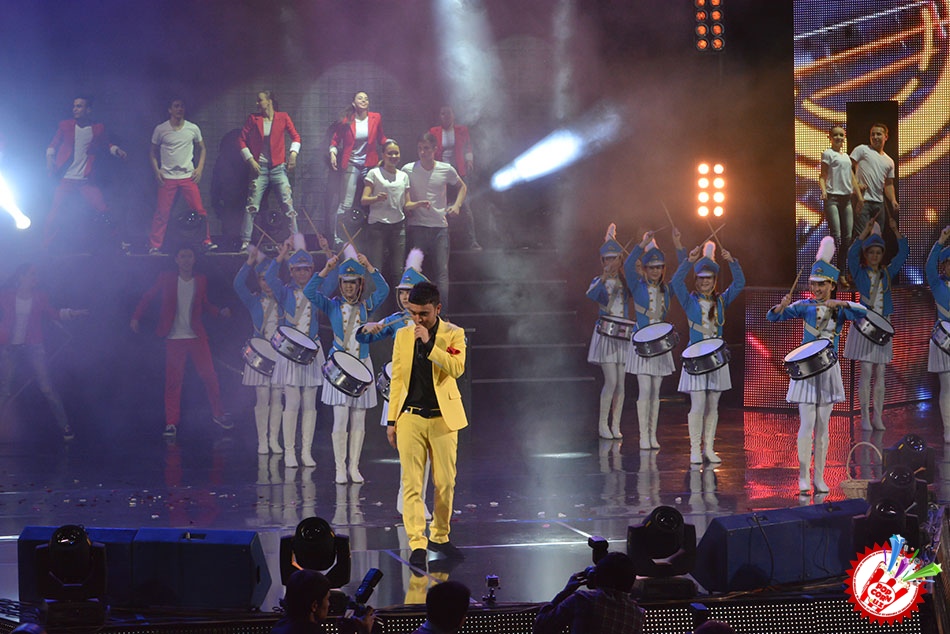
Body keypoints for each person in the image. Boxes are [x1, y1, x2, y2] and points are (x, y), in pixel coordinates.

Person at [767, 236, 866, 494]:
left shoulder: (840, 309)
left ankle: (819, 478)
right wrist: (781, 307)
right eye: (814, 284)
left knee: (824, 427)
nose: (817, 288)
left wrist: (842, 302)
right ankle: (803, 476)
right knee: (807, 424)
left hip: (829, 370)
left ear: (832, 285)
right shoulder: (804, 306)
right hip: (807, 371)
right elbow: (773, 317)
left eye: (822, 284)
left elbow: (863, 312)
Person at [386, 281, 467, 570]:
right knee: (411, 483)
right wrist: (392, 420)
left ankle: (440, 537)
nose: (418, 319)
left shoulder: (454, 334)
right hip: (411, 417)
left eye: (424, 314)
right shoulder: (402, 335)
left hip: (443, 418)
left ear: (437, 309)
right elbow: (397, 379)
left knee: (445, 482)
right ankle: (417, 543)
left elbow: (456, 368)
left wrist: (430, 344)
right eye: (413, 313)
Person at [356, 249, 433, 519]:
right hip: (403, 394)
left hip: (427, 393)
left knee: (426, 452)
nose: (404, 297)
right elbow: (365, 338)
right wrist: (368, 329)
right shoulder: (394, 321)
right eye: (402, 293)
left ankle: (418, 499)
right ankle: (406, 498)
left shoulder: (433, 321)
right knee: (409, 451)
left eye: (409, 292)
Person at [306, 246, 389, 483]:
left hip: (362, 364)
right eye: (345, 283)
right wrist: (326, 269)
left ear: (360, 284)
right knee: (340, 419)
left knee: (359, 420)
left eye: (353, 283)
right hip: (340, 369)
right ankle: (339, 468)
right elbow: (310, 292)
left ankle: (354, 467)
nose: (349, 287)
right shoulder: (332, 305)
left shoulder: (366, 306)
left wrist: (370, 267)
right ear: (340, 284)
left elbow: (384, 290)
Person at [131, 244, 232, 437]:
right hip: (174, 337)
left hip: (196, 336)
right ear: (176, 260)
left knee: (210, 376)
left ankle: (218, 414)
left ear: (194, 260)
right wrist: (136, 317)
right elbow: (148, 296)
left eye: (189, 256)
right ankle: (171, 422)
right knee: (173, 382)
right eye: (182, 256)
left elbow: (204, 304)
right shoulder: (167, 278)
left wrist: (219, 312)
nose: (186, 260)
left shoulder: (200, 280)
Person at [672, 241, 745, 464]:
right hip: (696, 357)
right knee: (698, 404)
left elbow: (740, 283)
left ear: (714, 280)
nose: (705, 282)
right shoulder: (689, 300)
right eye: (701, 278)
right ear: (696, 280)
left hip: (717, 359)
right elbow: (675, 282)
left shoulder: (721, 301)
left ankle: (709, 448)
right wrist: (689, 261)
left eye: (709, 278)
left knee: (713, 405)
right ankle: (695, 449)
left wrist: (732, 262)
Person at [0, 264, 88, 441]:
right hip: (9, 346)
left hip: (34, 346)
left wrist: (72, 313)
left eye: (36, 275)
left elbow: (53, 313)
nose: (35, 278)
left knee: (47, 387)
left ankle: (65, 426)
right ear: (22, 276)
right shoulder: (6, 295)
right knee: (5, 390)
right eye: (32, 274)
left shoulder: (40, 297)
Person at [266, 234, 328, 468]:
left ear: (312, 271)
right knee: (292, 402)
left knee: (310, 403)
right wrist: (282, 254)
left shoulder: (317, 292)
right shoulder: (284, 292)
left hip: (312, 351)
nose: (302, 273)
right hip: (290, 352)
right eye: (298, 270)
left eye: (306, 269)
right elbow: (269, 277)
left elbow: (333, 279)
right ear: (291, 272)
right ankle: (290, 451)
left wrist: (327, 252)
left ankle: (306, 452)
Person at [624, 227, 686, 449]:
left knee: (656, 392)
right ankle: (643, 436)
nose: (656, 271)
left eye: (659, 267)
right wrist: (642, 244)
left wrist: (677, 244)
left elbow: (683, 270)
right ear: (645, 268)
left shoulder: (667, 290)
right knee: (645, 390)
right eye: (652, 267)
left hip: (659, 345)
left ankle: (652, 434)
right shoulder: (636, 285)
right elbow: (627, 265)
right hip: (641, 344)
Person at [844, 218, 908, 431]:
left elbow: (903, 254)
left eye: (878, 253)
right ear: (866, 254)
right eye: (871, 252)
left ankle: (877, 416)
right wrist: (864, 233)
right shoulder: (859, 273)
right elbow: (851, 254)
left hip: (883, 325)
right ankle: (864, 416)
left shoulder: (887, 273)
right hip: (865, 325)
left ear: (882, 255)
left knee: (881, 371)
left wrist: (895, 231)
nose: (874, 256)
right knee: (866, 370)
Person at [45, 94, 128, 250]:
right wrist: (50, 161)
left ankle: (119, 243)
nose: (75, 109)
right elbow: (52, 145)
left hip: (85, 180)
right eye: (74, 106)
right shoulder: (65, 125)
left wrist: (117, 151)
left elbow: (106, 144)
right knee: (55, 213)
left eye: (79, 106)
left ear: (88, 110)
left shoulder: (97, 129)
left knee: (103, 210)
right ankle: (46, 246)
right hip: (67, 179)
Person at [404, 132, 467, 312]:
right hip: (417, 226)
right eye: (420, 148)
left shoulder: (445, 169)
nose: (422, 152)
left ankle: (442, 314)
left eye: (426, 148)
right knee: (415, 271)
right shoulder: (408, 169)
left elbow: (462, 186)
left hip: (439, 227)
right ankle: (414, 314)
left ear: (435, 149)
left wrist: (457, 205)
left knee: (441, 274)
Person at [148, 98, 215, 254]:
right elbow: (152, 152)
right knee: (162, 213)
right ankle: (155, 245)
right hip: (168, 177)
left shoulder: (192, 128)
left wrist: (199, 168)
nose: (179, 109)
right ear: (170, 110)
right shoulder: (161, 129)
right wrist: (157, 171)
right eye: (176, 106)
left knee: (199, 211)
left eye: (182, 106)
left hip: (187, 176)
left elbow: (202, 148)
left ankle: (206, 241)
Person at [360, 139, 429, 293]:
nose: (393, 156)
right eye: (390, 153)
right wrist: (376, 198)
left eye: (396, 153)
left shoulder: (403, 176)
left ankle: (400, 305)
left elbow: (406, 204)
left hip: (398, 226)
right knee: (375, 269)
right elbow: (364, 200)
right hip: (377, 226)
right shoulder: (374, 173)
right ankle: (373, 305)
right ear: (383, 155)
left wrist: (419, 204)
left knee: (398, 271)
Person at [238, 91, 301, 252]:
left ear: (269, 101)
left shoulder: (283, 117)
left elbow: (296, 137)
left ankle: (295, 240)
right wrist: (250, 159)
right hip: (260, 168)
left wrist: (293, 154)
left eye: (260, 100)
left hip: (278, 168)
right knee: (252, 205)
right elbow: (241, 139)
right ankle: (245, 241)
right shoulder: (254, 119)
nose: (257, 104)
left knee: (288, 204)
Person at [234, 246, 283, 454]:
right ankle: (262, 440)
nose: (266, 283)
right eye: (262, 279)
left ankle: (274, 439)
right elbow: (238, 285)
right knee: (262, 397)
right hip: (260, 355)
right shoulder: (253, 300)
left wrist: (283, 256)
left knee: (277, 397)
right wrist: (249, 262)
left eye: (269, 278)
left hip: (280, 355)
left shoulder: (284, 299)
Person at [587, 224, 630, 440]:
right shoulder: (598, 281)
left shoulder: (626, 282)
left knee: (621, 384)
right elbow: (591, 295)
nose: (611, 263)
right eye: (607, 259)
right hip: (605, 335)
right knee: (611, 381)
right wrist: (603, 279)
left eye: (615, 259)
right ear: (602, 261)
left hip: (622, 335)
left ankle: (616, 425)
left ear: (620, 260)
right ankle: (602, 424)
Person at [533, 552, 645, 634]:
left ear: (596, 578)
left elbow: (541, 627)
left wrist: (566, 591)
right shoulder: (637, 614)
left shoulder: (583, 600)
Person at [329, 91, 387, 246]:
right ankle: (338, 237)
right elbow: (335, 140)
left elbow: (381, 138)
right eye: (360, 98)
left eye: (366, 98)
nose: (364, 100)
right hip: (352, 163)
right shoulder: (346, 120)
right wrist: (333, 153)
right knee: (346, 203)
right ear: (354, 103)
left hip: (370, 164)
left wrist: (390, 145)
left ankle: (377, 237)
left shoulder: (376, 117)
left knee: (376, 201)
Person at [430, 106, 480, 250]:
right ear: (439, 116)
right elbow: (429, 148)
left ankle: (472, 241)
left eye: (448, 113)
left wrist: (469, 160)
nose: (445, 116)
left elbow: (468, 146)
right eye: (442, 113)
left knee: (465, 206)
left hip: (459, 171)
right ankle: (440, 241)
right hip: (441, 172)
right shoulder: (434, 131)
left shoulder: (461, 130)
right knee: (441, 206)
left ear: (453, 115)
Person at [273, 569, 374, 634]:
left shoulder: (279, 627)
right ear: (314, 606)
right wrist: (364, 632)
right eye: (327, 599)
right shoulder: (312, 631)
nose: (329, 604)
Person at [819, 124, 857, 285]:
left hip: (846, 199)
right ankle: (831, 271)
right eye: (835, 135)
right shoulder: (828, 154)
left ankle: (841, 272)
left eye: (841, 135)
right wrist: (824, 191)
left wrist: (858, 193)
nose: (839, 138)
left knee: (848, 237)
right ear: (830, 137)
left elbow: (851, 177)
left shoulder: (846, 157)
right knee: (837, 236)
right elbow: (822, 176)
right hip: (832, 198)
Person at [851, 122, 899, 239]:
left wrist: (893, 200)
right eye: (872, 134)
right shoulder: (862, 149)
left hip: (879, 203)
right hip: (863, 200)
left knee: (877, 238)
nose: (875, 137)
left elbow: (888, 184)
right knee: (862, 236)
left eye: (878, 134)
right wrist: (856, 184)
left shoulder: (889, 161)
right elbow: (846, 168)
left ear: (886, 137)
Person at [926, 225, 950, 444]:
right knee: (947, 385)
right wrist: (941, 241)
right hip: (943, 340)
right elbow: (929, 266)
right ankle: (948, 430)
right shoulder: (937, 282)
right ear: (944, 266)